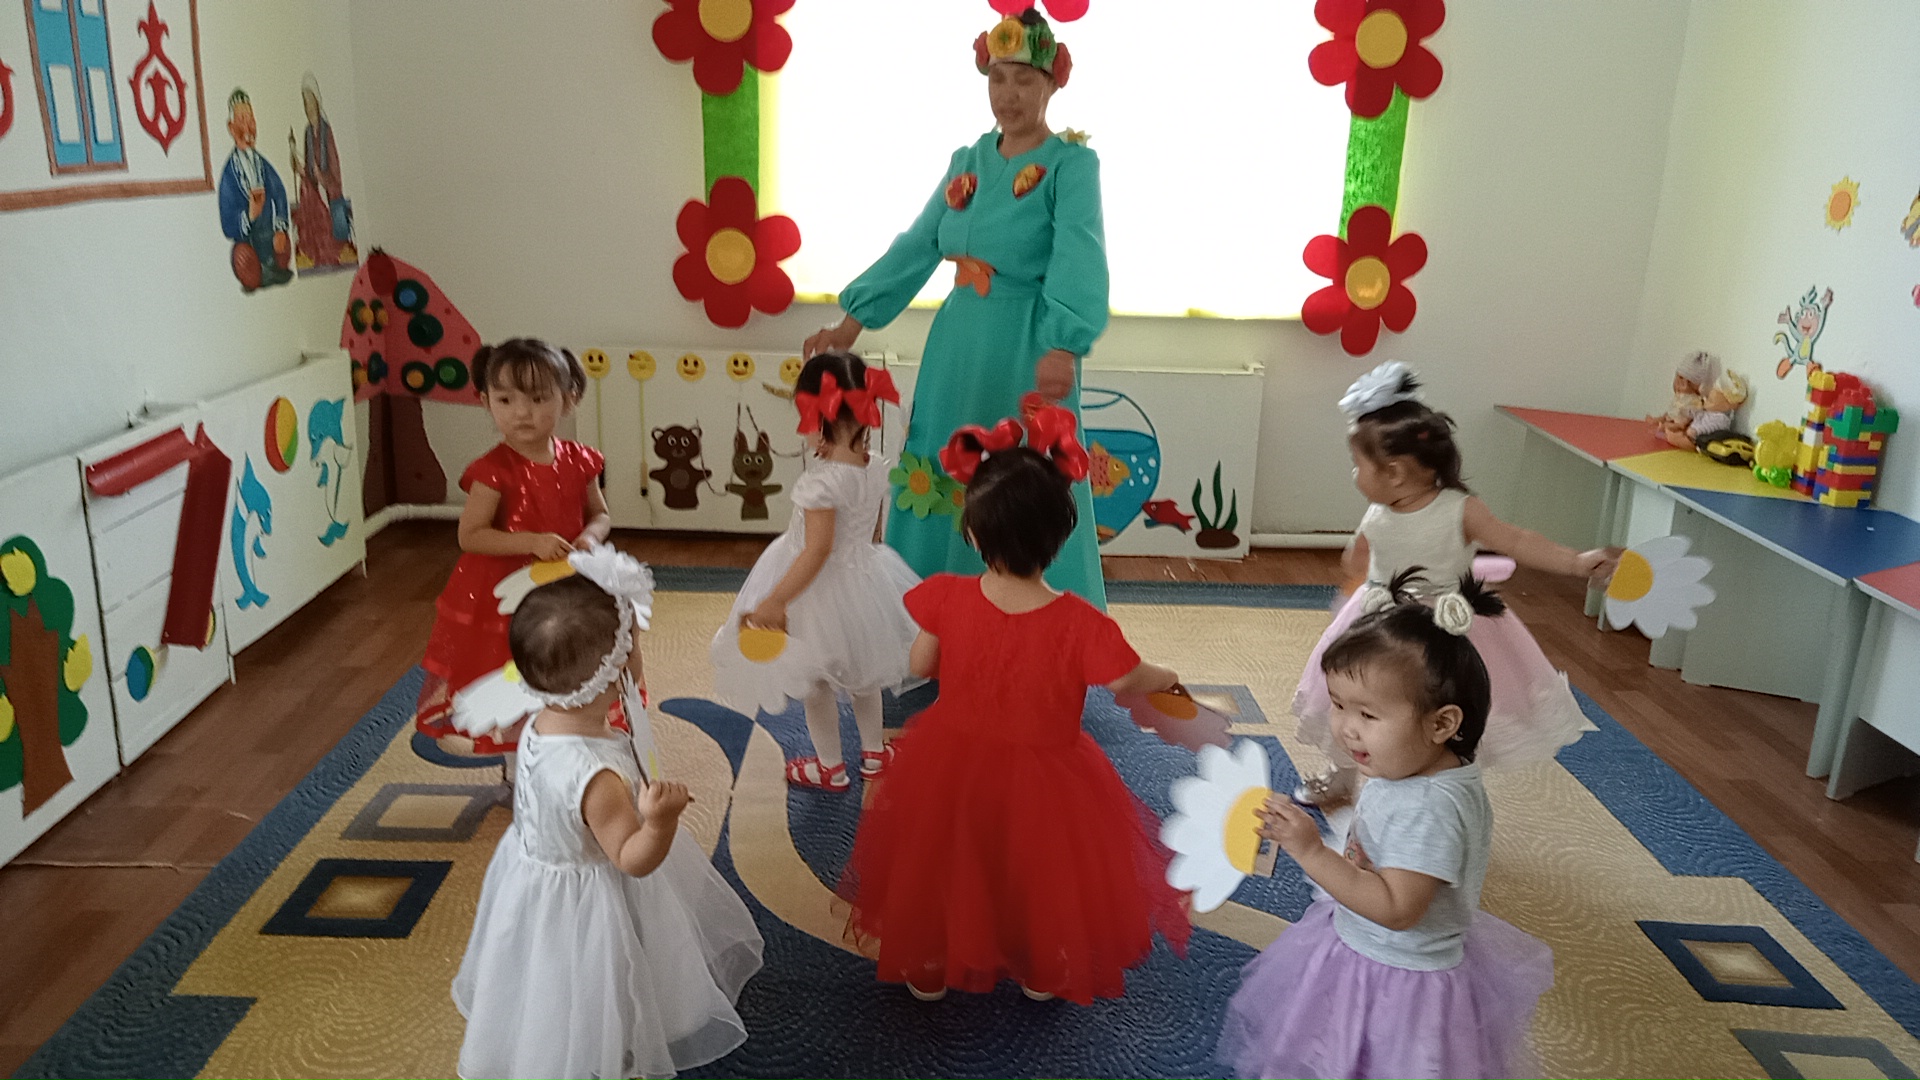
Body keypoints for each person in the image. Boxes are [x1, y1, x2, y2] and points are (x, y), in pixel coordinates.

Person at [842, 402, 1190, 1004]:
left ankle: (928, 958)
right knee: (1040, 869)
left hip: (952, 760)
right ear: (1061, 538)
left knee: (946, 860)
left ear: (975, 535)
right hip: (1048, 772)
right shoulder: (1083, 625)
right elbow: (1127, 680)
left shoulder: (946, 596)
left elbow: (921, 665)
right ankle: (1040, 964)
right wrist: (1167, 675)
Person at [802, 7, 1109, 606]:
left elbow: (1080, 252)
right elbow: (919, 244)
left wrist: (1064, 344)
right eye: (998, 78)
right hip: (958, 340)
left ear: (1052, 83)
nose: (1009, 94)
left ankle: (1036, 617)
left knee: (1024, 474)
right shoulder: (966, 161)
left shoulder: (1071, 164)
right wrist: (851, 322)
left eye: (1024, 79)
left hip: (1027, 343)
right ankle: (931, 608)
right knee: (941, 465)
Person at [1220, 573, 1554, 1080]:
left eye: (1368, 715)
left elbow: (1398, 910)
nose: (1345, 728)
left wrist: (1311, 852)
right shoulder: (1405, 765)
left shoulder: (1430, 809)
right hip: (1364, 949)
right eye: (1338, 705)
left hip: (1398, 978)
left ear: (1441, 724)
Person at [453, 547, 763, 1080]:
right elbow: (631, 859)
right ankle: (604, 1053)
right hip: (587, 905)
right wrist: (660, 821)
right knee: (595, 989)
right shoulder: (597, 779)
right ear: (616, 670)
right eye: (633, 644)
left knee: (545, 977)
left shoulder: (540, 719)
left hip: (535, 879)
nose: (639, 654)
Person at [1292, 362, 1619, 805]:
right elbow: (1360, 559)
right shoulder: (1379, 513)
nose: (1354, 475)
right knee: (1358, 698)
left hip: (1445, 627)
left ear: (1394, 472)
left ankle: (1441, 790)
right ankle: (1345, 774)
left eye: (1358, 465)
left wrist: (1576, 563)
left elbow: (1516, 540)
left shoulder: (1460, 509)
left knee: (1435, 706)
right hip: (1382, 623)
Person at [711, 351, 919, 791]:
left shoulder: (820, 482)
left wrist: (776, 600)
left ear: (819, 419)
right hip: (863, 579)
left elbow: (817, 550)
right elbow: (871, 532)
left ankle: (830, 767)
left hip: (814, 589)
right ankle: (874, 754)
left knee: (815, 682)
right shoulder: (876, 466)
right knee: (865, 673)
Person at [416, 339, 612, 758]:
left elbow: (600, 514)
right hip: (504, 592)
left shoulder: (581, 461)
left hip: (564, 583)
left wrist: (590, 537)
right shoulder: (492, 471)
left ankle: (563, 732)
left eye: (538, 399)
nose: (522, 412)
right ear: (485, 401)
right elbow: (471, 535)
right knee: (511, 667)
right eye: (506, 400)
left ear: (568, 399)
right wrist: (531, 542)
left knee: (564, 659)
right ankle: (512, 756)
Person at [218, 89, 292, 291]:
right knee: (242, 258)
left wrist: (280, 227)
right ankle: (256, 274)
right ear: (231, 127)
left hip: (269, 237)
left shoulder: (262, 165)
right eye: (242, 120)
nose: (249, 126)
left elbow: (279, 192)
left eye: (251, 119)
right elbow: (227, 223)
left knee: (284, 246)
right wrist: (248, 216)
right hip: (248, 242)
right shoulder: (229, 174)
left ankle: (273, 266)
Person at [287, 73, 356, 271]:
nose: (308, 108)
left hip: (332, 194)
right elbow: (310, 173)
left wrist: (322, 177)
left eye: (310, 103)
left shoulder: (327, 132)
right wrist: (301, 169)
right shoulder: (308, 133)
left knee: (339, 234)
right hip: (317, 195)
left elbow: (335, 173)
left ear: (317, 103)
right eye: (305, 103)